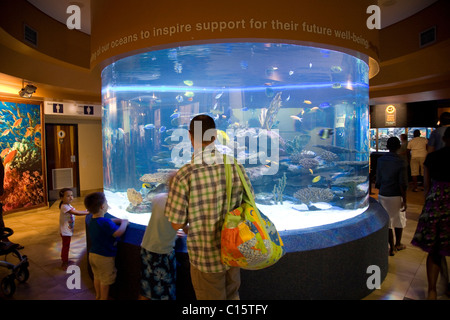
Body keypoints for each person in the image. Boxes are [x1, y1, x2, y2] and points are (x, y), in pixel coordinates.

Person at [164, 114, 253, 300]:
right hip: (233, 251)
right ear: (214, 136)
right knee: (232, 295)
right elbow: (250, 202)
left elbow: (175, 223)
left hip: (206, 258)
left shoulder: (185, 175)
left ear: (190, 136)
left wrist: (188, 226)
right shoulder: (234, 165)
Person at [411, 127, 450, 299]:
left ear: (445, 139)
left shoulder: (433, 157)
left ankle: (432, 290)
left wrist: (427, 206)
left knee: (434, 249)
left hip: (436, 201)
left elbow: (426, 187)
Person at [140, 170, 180, 300]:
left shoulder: (158, 198)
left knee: (146, 287)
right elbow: (180, 226)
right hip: (162, 252)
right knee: (164, 292)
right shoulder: (178, 205)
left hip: (146, 248)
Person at [85, 192, 128, 300]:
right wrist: (124, 223)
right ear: (103, 206)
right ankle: (104, 298)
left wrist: (118, 220)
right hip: (104, 257)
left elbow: (105, 221)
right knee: (105, 281)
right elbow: (118, 233)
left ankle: (98, 296)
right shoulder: (105, 223)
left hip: (93, 255)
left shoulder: (93, 219)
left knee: (97, 277)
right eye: (107, 202)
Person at [376, 137, 407, 256]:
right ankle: (398, 244)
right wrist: (405, 200)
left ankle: (391, 247)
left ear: (387, 147)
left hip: (383, 194)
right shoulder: (401, 161)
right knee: (399, 219)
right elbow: (403, 183)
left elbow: (378, 179)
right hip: (396, 195)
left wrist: (381, 188)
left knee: (387, 221)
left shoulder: (381, 160)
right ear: (399, 147)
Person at [59, 188, 89, 270]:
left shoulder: (68, 205)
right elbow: (76, 213)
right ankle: (64, 262)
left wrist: (85, 211)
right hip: (65, 231)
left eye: (71, 195)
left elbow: (77, 211)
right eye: (68, 196)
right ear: (62, 198)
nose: (71, 197)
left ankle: (65, 259)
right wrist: (88, 212)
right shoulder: (64, 207)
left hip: (68, 230)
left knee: (66, 245)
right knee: (66, 246)